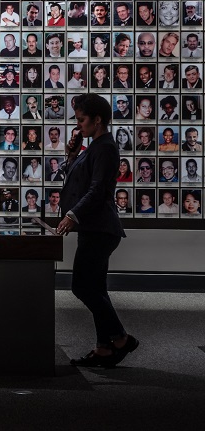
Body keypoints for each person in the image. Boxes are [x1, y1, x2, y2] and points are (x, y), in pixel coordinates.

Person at [55, 94, 138, 368]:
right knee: (96, 289)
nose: (78, 127)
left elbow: (97, 190)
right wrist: (71, 153)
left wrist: (72, 215)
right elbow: (74, 178)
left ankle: (121, 338)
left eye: (81, 121)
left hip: (102, 229)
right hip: (94, 229)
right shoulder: (94, 147)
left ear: (97, 119)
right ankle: (104, 347)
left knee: (82, 286)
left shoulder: (105, 148)